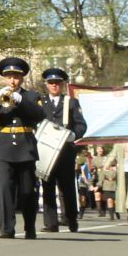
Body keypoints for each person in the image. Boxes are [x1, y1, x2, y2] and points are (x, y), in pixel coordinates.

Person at [0, 57, 44, 239]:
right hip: (5, 148)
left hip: (25, 147)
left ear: (22, 77)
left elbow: (39, 115)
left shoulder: (32, 96)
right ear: (4, 79)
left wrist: (20, 100)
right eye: (9, 77)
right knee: (4, 190)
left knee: (27, 191)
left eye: (16, 76)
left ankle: (30, 227)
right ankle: (7, 228)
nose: (12, 80)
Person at [38, 67, 87, 232]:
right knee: (48, 187)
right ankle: (51, 223)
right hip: (46, 151)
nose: (54, 86)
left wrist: (73, 135)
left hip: (65, 151)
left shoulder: (70, 102)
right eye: (51, 83)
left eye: (57, 83)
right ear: (46, 85)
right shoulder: (40, 102)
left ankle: (71, 219)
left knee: (67, 188)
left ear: (63, 84)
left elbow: (81, 125)